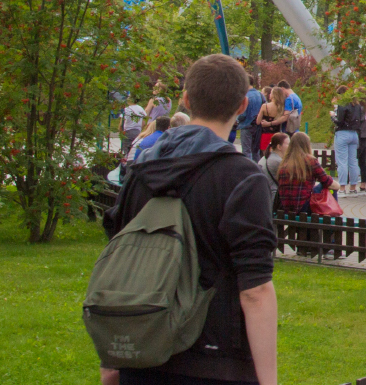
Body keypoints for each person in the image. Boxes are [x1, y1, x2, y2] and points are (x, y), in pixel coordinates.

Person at [100, 53, 277, 385]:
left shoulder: (140, 172)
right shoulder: (242, 178)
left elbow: (118, 266)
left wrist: (111, 364)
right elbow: (255, 291)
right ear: (242, 106)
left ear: (185, 99)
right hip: (215, 360)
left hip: (142, 350)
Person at [275, 132, 334, 215]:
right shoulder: (310, 160)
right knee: (331, 187)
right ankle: (332, 218)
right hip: (304, 208)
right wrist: (338, 186)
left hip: (286, 210)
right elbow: (326, 181)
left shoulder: (284, 162)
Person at [330, 96, 365, 195]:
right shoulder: (357, 106)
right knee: (353, 161)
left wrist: (333, 116)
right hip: (354, 134)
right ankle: (353, 187)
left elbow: (339, 121)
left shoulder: (342, 106)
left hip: (342, 133)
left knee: (342, 162)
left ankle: (342, 188)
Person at [237, 76, 266, 161]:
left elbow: (242, 114)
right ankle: (257, 168)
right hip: (258, 126)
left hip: (246, 125)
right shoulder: (260, 95)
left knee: (246, 151)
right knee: (255, 151)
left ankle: (249, 170)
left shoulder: (245, 96)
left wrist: (237, 120)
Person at [255, 87, 289, 158]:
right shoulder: (281, 107)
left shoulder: (265, 106)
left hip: (265, 134)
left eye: (271, 93)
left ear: (273, 95)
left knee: (265, 157)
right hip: (276, 135)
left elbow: (258, 122)